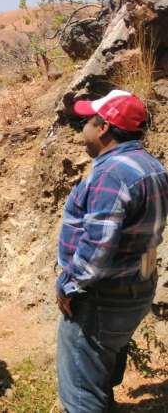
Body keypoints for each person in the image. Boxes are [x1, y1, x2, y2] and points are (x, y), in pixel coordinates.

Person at [56, 90, 168, 412]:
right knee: (100, 368)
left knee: (80, 395)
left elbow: (96, 247)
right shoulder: (151, 166)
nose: (82, 131)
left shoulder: (111, 174)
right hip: (137, 286)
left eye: (87, 122)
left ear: (103, 127)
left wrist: (68, 285)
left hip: (100, 298)